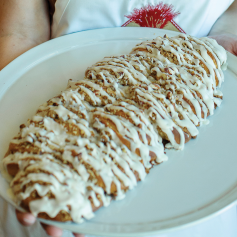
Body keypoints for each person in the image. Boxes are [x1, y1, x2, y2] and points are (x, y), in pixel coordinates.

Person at [0, 0, 237, 237]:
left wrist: (226, 33)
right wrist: (15, 100)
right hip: (60, 93)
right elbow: (21, 32)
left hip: (200, 170)